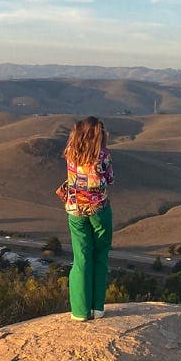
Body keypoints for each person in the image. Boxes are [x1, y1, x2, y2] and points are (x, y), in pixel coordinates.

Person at [62, 116, 114, 321]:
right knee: (100, 254)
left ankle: (80, 311)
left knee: (81, 257)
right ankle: (97, 308)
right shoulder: (103, 154)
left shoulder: (70, 153)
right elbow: (110, 178)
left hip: (75, 209)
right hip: (99, 209)